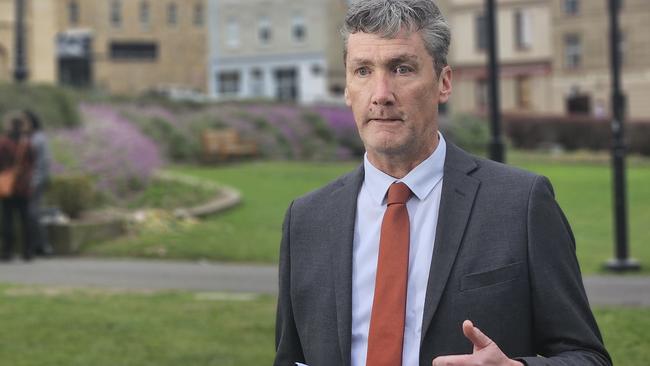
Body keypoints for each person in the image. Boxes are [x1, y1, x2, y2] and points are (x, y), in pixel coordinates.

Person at [274, 1, 611, 366]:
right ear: (346, 87)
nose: (381, 93)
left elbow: (587, 357)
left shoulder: (520, 204)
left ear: (444, 83)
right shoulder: (306, 220)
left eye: (402, 68)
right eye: (363, 71)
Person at [0, 113, 34, 261]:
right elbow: (33, 162)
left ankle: (7, 251)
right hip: (24, 185)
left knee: (7, 218)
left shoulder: (3, 143)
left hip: (7, 185)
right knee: (25, 218)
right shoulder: (27, 143)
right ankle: (27, 251)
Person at [23, 110, 53, 256]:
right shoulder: (31, 138)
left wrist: (35, 181)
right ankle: (38, 245)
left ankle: (43, 246)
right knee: (32, 213)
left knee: (33, 213)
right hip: (31, 180)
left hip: (35, 181)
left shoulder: (38, 139)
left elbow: (42, 163)